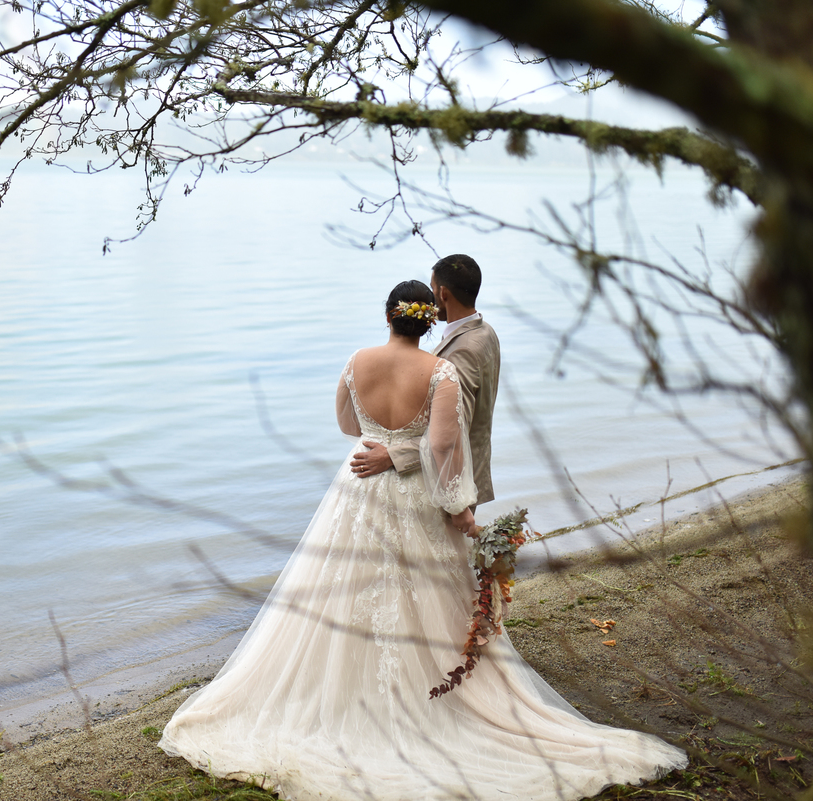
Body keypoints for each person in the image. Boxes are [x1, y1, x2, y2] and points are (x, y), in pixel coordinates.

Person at [158, 280, 686, 801]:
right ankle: (429, 698)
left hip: (359, 485)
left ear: (388, 316)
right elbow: (441, 446)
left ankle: (340, 695)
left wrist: (384, 439)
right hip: (414, 498)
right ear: (428, 319)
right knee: (426, 595)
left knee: (342, 585)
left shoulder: (356, 360)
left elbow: (346, 424)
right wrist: (461, 510)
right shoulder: (441, 372)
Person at [350, 254, 499, 511]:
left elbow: (453, 430)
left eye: (431, 289)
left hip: (451, 479)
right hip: (467, 468)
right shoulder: (484, 331)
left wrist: (392, 455)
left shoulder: (460, 353)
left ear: (442, 293)